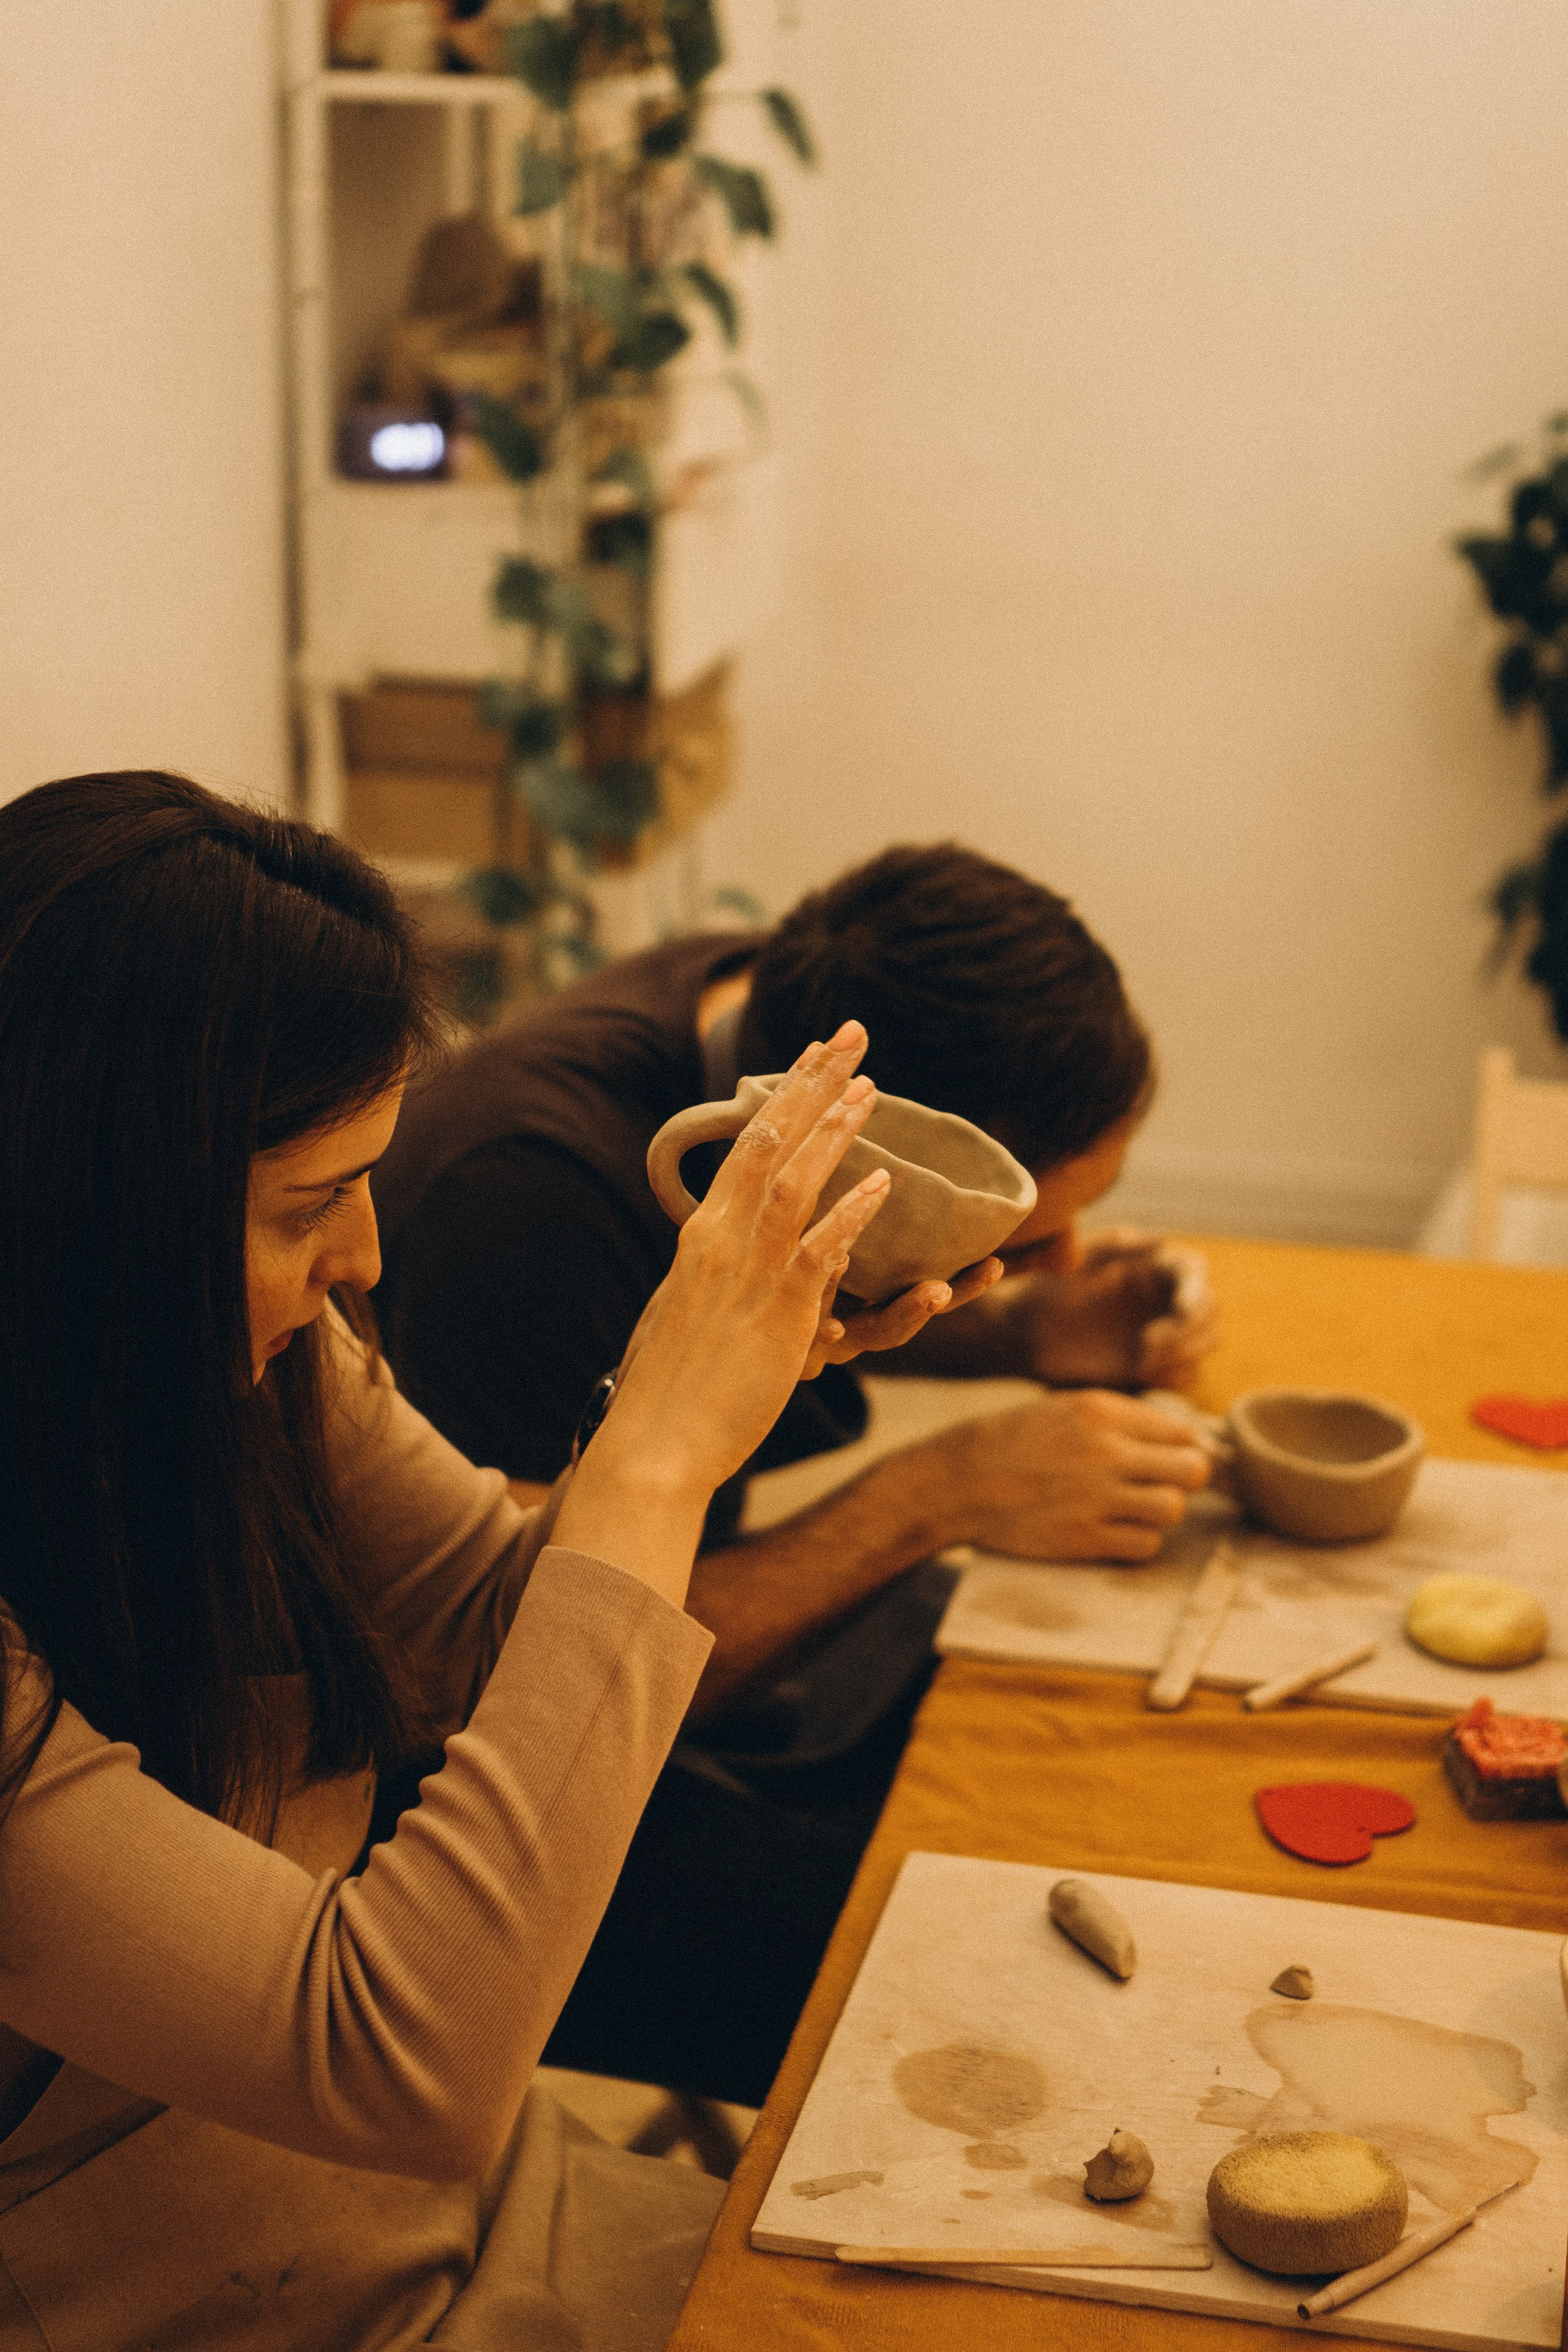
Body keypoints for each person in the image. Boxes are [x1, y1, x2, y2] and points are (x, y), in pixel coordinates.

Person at [0, 770, 933, 2352]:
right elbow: (398, 2062)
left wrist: (702, 1377)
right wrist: (654, 1459)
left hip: (452, 2214)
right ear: (82, 1213)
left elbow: (493, 1628)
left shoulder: (254, 1364)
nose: (362, 1256)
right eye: (309, 1205)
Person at [370, 843, 1216, 2103]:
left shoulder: (764, 1008)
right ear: (891, 1180)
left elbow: (793, 1295)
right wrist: (941, 1493)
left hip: (625, 1657)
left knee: (1076, 1753)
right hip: (461, 1805)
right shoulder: (523, 1201)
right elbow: (542, 1678)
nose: (1065, 1259)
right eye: (1028, 1235)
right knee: (985, 1968)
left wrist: (1028, 1331)